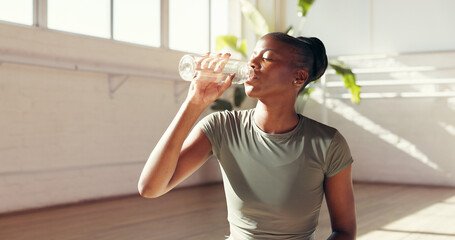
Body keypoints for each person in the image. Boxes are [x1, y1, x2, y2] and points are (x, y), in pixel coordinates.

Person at [138, 32, 356, 240]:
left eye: (267, 58)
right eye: (253, 56)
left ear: (298, 77)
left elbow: (344, 230)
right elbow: (150, 188)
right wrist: (194, 104)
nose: (253, 63)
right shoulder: (221, 127)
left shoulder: (328, 143)